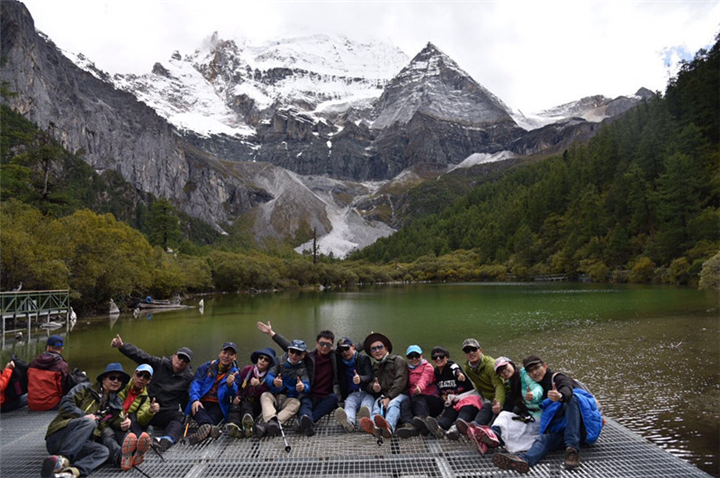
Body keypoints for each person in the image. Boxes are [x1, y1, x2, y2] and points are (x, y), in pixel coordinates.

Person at [492, 355, 603, 473]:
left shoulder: (557, 378)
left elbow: (566, 387)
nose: (534, 372)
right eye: (530, 371)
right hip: (563, 431)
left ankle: (572, 450)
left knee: (571, 399)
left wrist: (561, 396)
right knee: (544, 439)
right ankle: (524, 460)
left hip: (582, 429)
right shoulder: (536, 386)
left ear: (545, 366)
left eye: (536, 368)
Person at [41, 363, 129, 478]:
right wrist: (83, 415)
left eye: (119, 379)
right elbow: (65, 405)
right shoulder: (84, 389)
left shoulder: (115, 402)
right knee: (89, 422)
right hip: (58, 437)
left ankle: (70, 473)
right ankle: (62, 459)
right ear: (103, 379)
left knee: (103, 452)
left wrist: (124, 424)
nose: (116, 381)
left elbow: (112, 422)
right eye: (112, 377)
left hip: (80, 443)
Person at [111, 334, 194, 452]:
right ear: (174, 356)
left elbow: (187, 396)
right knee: (132, 414)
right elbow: (141, 356)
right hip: (148, 408)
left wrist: (190, 412)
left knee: (179, 417)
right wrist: (123, 346)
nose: (181, 361)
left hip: (167, 411)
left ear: (188, 364)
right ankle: (141, 440)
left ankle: (167, 439)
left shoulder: (188, 377)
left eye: (185, 361)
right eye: (180, 357)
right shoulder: (159, 363)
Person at [257, 321, 340, 437]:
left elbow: (352, 350)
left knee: (333, 398)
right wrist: (271, 333)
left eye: (328, 345)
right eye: (322, 344)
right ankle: (300, 422)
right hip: (309, 395)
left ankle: (305, 422)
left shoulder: (336, 357)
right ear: (317, 344)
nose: (325, 347)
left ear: (332, 346)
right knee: (302, 404)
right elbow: (289, 346)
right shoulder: (309, 357)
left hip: (325, 396)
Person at [462, 356, 544, 454]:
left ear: (511, 364)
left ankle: (488, 436)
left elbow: (537, 388)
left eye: (505, 367)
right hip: (527, 416)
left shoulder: (524, 375)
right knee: (505, 415)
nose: (504, 372)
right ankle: (487, 438)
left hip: (537, 418)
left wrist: (533, 395)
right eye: (500, 371)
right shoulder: (511, 383)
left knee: (506, 418)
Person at [185, 342, 239, 445]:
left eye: (230, 354)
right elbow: (196, 383)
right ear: (220, 353)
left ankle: (202, 433)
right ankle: (210, 429)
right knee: (196, 408)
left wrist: (230, 385)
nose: (226, 356)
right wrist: (195, 399)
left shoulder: (235, 373)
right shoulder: (206, 367)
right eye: (224, 352)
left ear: (235, 357)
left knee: (215, 415)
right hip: (202, 401)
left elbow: (232, 394)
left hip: (218, 404)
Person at [359, 332, 408, 438]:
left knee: (393, 404)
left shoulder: (398, 360)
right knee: (376, 405)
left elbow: (401, 381)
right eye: (373, 349)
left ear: (386, 348)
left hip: (401, 394)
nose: (377, 350)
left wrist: (389, 397)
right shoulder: (375, 367)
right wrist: (373, 387)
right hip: (384, 395)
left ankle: (389, 426)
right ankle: (374, 427)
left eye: (379, 347)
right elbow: (368, 384)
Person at [257, 339, 310, 437]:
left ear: (303, 355)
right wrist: (274, 381)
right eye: (292, 351)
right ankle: (273, 421)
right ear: (288, 351)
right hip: (275, 396)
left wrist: (302, 387)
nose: (294, 355)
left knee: (296, 403)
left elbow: (307, 386)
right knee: (264, 396)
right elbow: (269, 376)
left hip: (289, 399)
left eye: (298, 353)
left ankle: (269, 424)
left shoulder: (303, 368)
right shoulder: (278, 361)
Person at [423, 346, 477, 440]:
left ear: (447, 357)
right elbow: (436, 387)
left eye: (441, 356)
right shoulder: (436, 372)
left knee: (465, 411)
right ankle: (439, 428)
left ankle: (456, 429)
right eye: (435, 357)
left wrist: (459, 375)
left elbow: (455, 369)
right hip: (453, 401)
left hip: (468, 398)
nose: (438, 359)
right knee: (449, 414)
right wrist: (441, 395)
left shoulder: (451, 366)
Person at [226, 347, 276, 438]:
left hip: (256, 404)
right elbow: (238, 386)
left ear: (269, 363)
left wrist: (258, 386)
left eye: (266, 359)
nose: (262, 361)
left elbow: (266, 394)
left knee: (247, 407)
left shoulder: (269, 376)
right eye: (261, 358)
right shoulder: (247, 370)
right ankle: (235, 426)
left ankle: (248, 426)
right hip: (242, 399)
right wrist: (236, 396)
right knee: (235, 408)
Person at [396, 345, 442, 438]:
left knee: (417, 399)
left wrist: (420, 388)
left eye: (416, 356)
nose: (414, 359)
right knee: (405, 402)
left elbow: (425, 378)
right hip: (416, 400)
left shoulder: (428, 367)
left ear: (421, 355)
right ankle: (408, 425)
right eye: (411, 356)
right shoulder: (407, 369)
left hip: (432, 400)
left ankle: (424, 423)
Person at [458, 338, 505, 428]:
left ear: (480, 350)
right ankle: (475, 426)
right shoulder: (468, 368)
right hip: (489, 398)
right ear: (465, 354)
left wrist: (499, 402)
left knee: (491, 409)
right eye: (467, 351)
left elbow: (499, 385)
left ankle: (489, 429)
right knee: (484, 407)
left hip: (502, 395)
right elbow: (478, 384)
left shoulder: (490, 365)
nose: (471, 353)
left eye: (474, 349)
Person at [333, 337, 373, 432]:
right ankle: (349, 423)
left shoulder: (363, 359)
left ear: (353, 347)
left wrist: (360, 379)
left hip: (366, 392)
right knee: (349, 405)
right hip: (352, 393)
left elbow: (369, 376)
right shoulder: (340, 362)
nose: (344, 352)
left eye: (347, 349)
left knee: (366, 405)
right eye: (341, 350)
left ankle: (364, 422)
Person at [28, 335, 70, 411]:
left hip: (32, 404)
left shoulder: (33, 363)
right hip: (51, 404)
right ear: (62, 349)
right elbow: (63, 388)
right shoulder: (62, 365)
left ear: (48, 347)